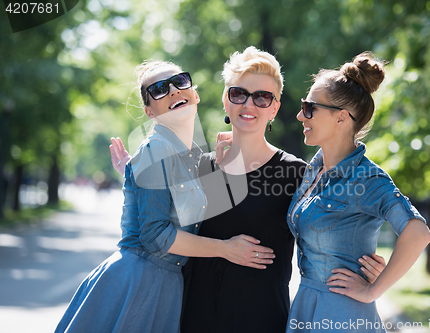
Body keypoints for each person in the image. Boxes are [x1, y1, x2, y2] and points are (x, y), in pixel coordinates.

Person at [109, 47, 386, 333]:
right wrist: (134, 172)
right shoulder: (199, 168)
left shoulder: (296, 174)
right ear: (226, 101)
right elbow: (155, 226)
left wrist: (367, 267)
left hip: (263, 320)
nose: (249, 104)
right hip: (193, 318)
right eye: (238, 94)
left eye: (263, 97)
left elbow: (330, 232)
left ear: (275, 108)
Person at [55, 60, 274, 333]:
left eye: (180, 82)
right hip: (139, 281)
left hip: (167, 283)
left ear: (194, 94)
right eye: (159, 89)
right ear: (149, 111)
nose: (172, 91)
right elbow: (155, 235)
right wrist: (226, 249)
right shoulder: (156, 149)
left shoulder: (192, 155)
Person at [286, 52, 430, 332]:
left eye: (309, 107)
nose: (299, 114)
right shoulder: (313, 170)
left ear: (341, 118)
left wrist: (373, 290)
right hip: (306, 304)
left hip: (342, 313)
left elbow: (418, 233)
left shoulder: (368, 178)